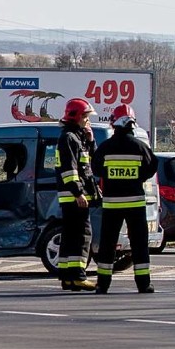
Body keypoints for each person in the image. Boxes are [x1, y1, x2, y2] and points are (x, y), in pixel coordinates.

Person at [91, 104, 157, 294]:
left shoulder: (105, 147)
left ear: (115, 123)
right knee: (139, 243)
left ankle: (103, 284)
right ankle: (143, 284)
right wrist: (138, 178)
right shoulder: (140, 146)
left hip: (112, 203)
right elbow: (152, 165)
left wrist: (110, 179)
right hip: (135, 203)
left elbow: (96, 169)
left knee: (107, 244)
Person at [55, 98, 99, 291]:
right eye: (86, 117)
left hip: (72, 195)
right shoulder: (68, 138)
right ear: (78, 117)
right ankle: (78, 276)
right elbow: (69, 170)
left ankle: (68, 277)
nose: (87, 121)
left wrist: (90, 141)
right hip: (75, 196)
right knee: (82, 235)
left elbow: (91, 164)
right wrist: (78, 193)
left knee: (71, 236)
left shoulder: (76, 138)